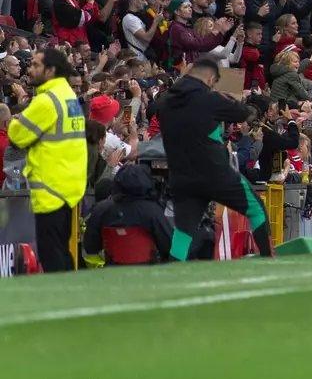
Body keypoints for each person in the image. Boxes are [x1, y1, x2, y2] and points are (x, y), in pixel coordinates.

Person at [152, 53, 275, 261]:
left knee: (183, 233)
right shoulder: (209, 98)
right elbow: (242, 113)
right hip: (215, 172)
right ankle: (268, 259)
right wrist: (229, 97)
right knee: (256, 209)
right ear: (210, 79)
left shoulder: (164, 103)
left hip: (182, 176)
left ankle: (171, 275)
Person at [6, 47, 87, 271]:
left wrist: (16, 119)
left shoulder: (47, 101)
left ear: (50, 71)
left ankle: (64, 301)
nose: (29, 69)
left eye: (35, 65)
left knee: (52, 255)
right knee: (62, 250)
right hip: (68, 186)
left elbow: (17, 135)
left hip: (50, 187)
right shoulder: (68, 96)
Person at [82, 163, 174, 263]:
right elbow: (169, 246)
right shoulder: (153, 211)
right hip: (148, 273)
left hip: (113, 271)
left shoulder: (101, 209)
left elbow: (90, 246)